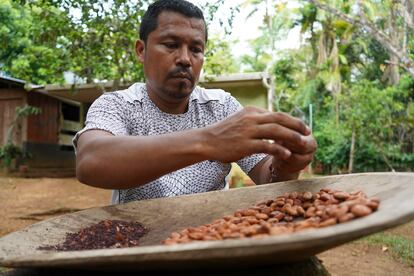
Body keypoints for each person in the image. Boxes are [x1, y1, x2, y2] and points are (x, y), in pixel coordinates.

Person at [73, 0, 317, 204]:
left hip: (212, 243)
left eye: (196, 49)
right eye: (171, 45)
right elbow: (90, 162)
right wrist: (210, 142)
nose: (185, 59)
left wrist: (286, 165)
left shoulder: (222, 107)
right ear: (141, 50)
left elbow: (267, 176)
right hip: (138, 245)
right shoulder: (117, 105)